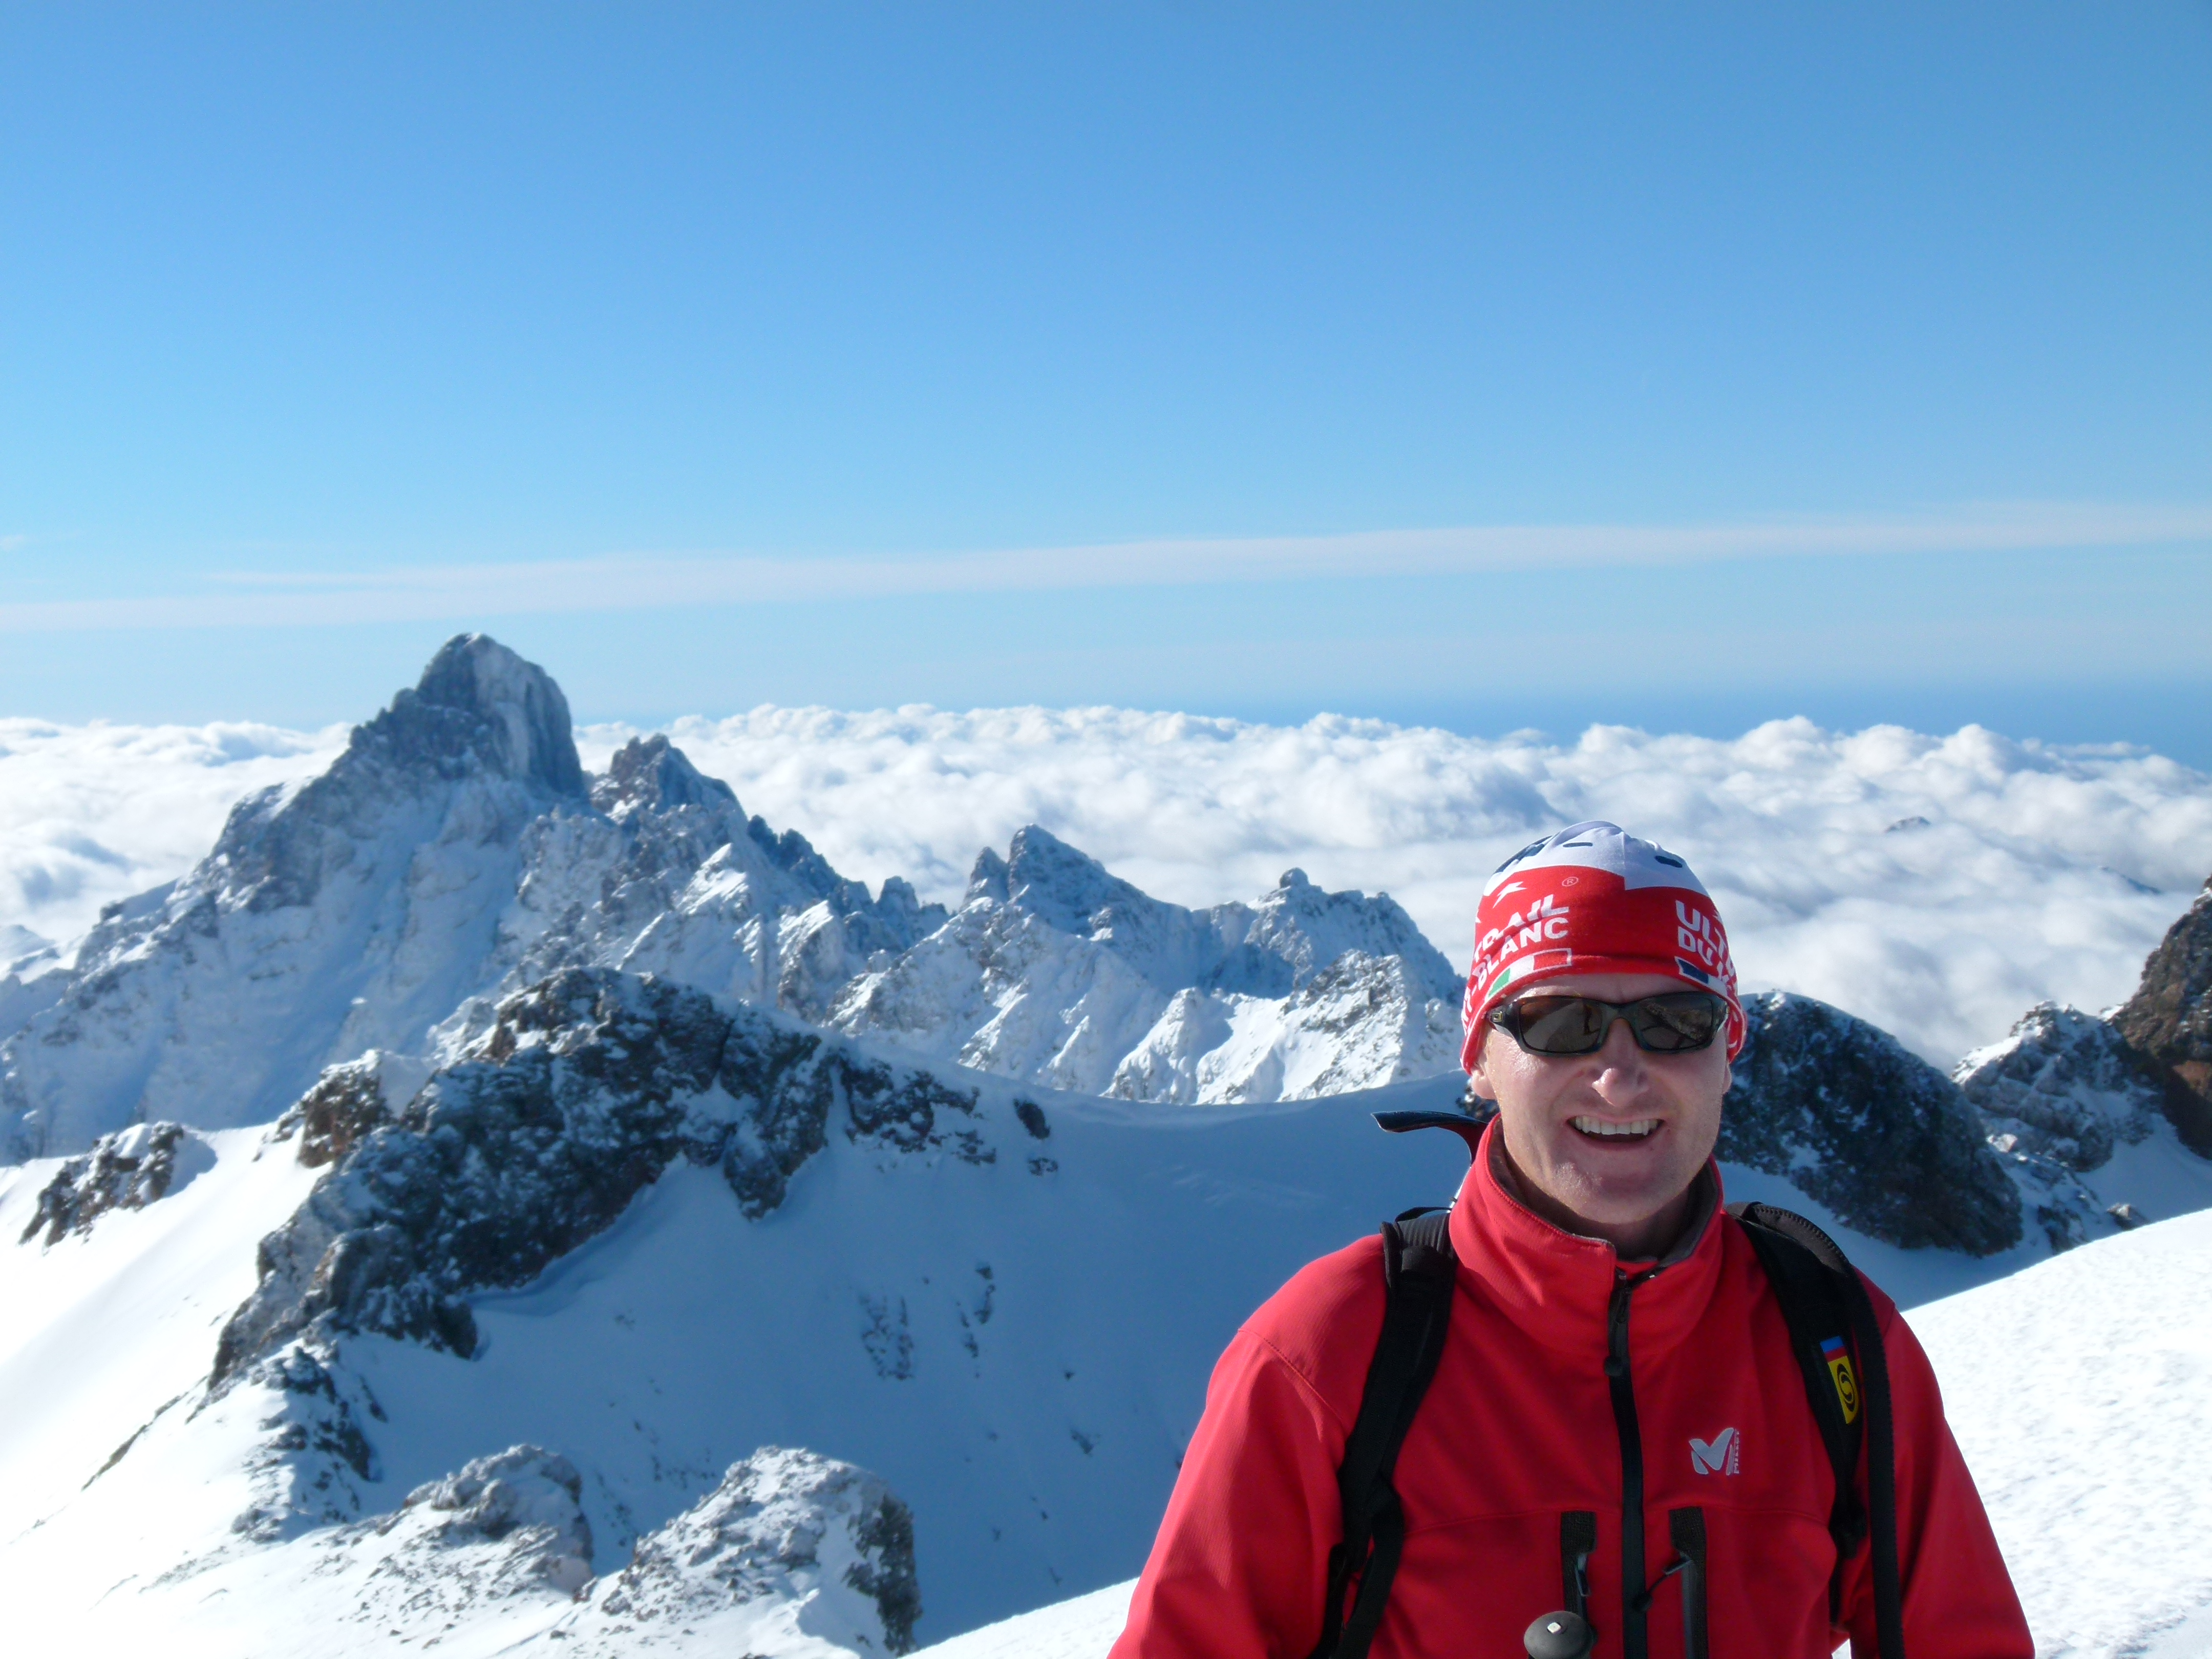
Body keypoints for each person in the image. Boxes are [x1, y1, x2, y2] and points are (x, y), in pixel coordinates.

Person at [1109, 821, 2031, 1659]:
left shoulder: (1829, 1338)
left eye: (1676, 1022)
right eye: (1561, 1023)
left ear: (1728, 1051)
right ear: (1480, 1057)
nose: (1621, 1075)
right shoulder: (1333, 1349)